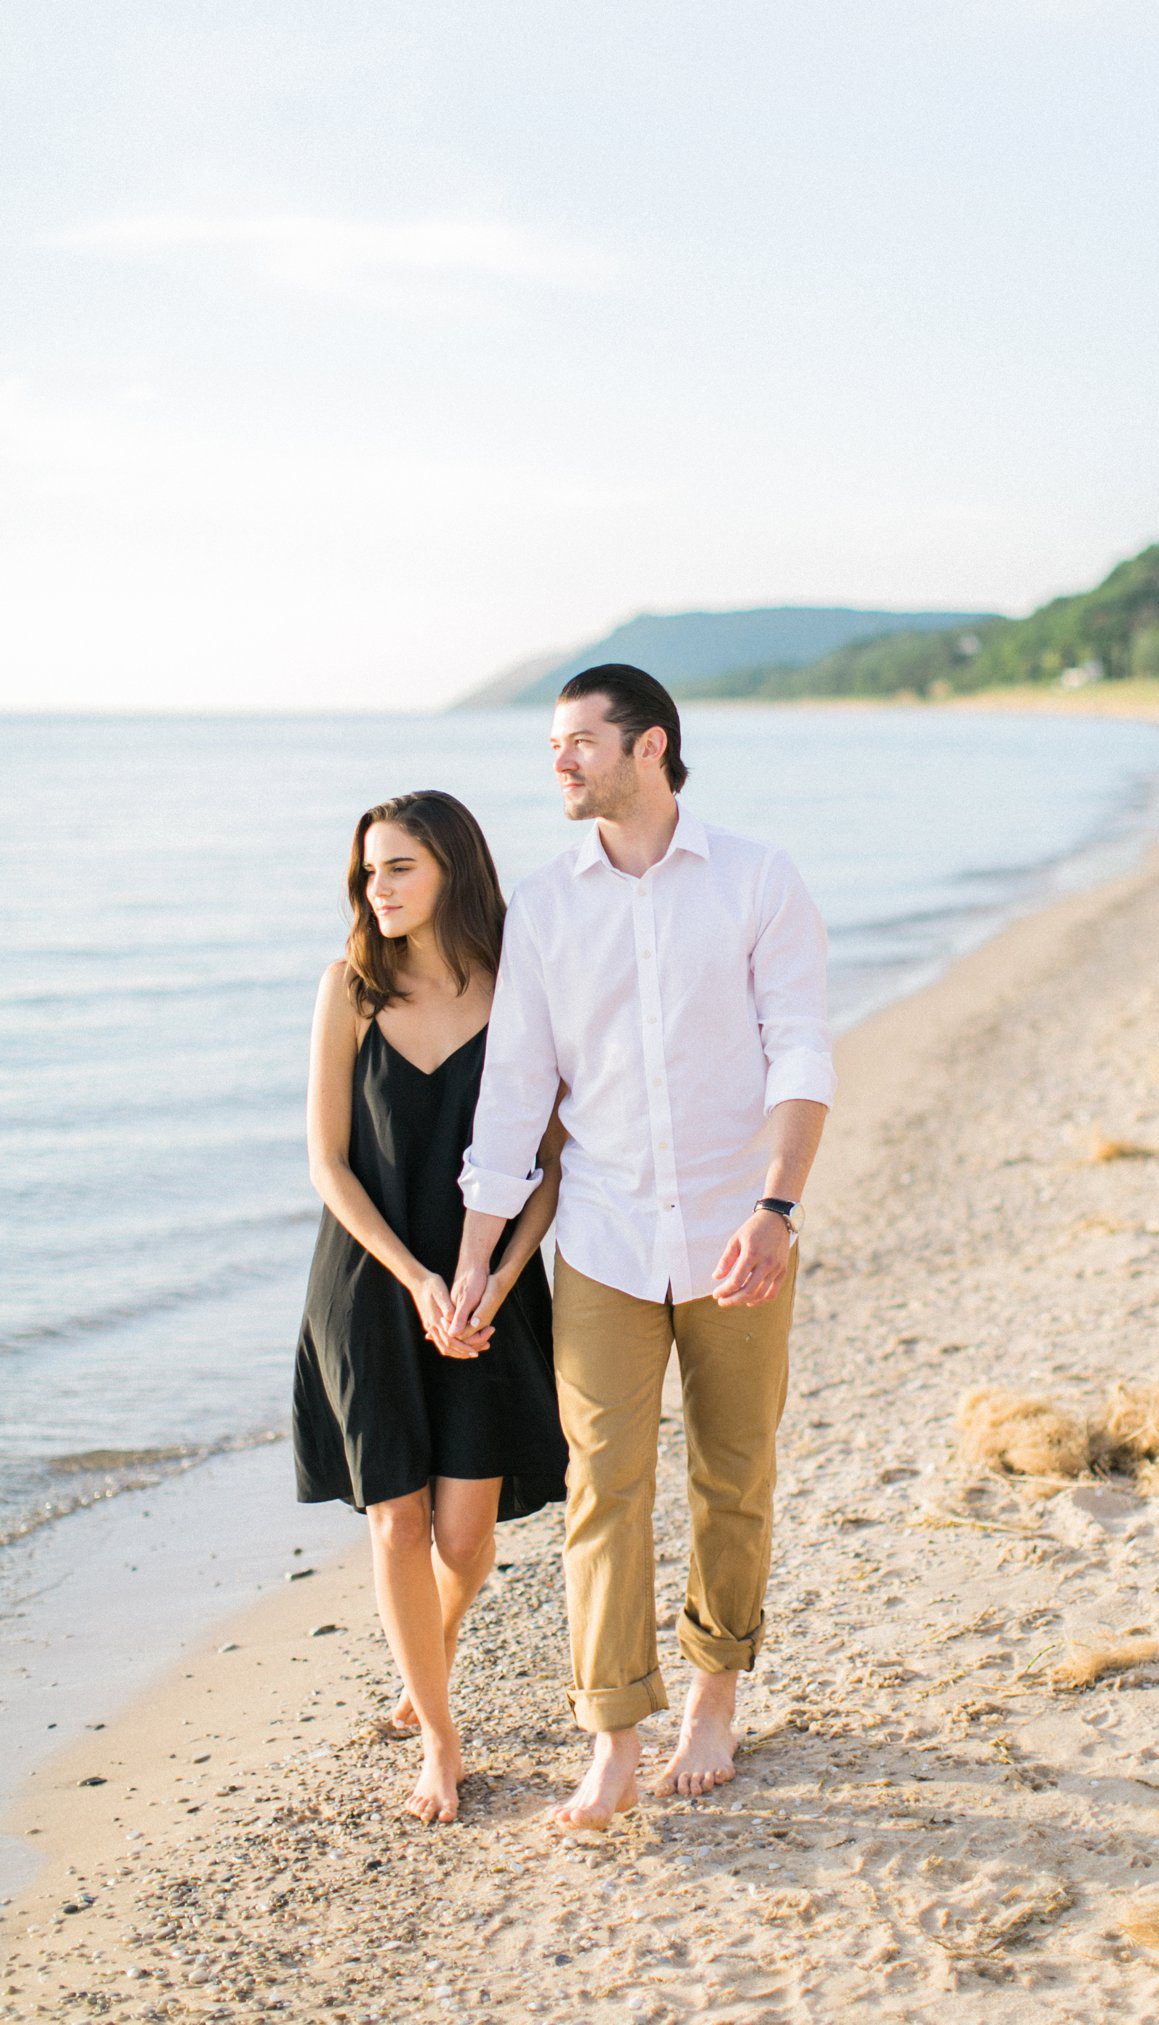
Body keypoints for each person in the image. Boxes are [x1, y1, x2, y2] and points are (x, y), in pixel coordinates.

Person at [444, 666, 834, 1829]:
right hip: (605, 1242)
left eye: (579, 743)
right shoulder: (547, 906)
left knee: (733, 1471)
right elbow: (515, 1094)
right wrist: (475, 1255)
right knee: (601, 1485)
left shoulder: (759, 880)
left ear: (649, 747)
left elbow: (802, 1054)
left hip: (737, 1232)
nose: (559, 763)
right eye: (552, 746)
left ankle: (715, 1695)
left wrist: (777, 1211)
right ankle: (612, 1732)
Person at [293, 790, 568, 1826]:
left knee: (464, 1539)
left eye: (400, 866)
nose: (380, 888)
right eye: (370, 872)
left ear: (452, 866)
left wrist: (494, 1280)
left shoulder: (517, 991)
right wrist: (416, 1279)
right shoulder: (350, 990)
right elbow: (327, 1161)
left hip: (489, 1287)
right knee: (396, 1519)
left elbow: (549, 1169)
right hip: (371, 1283)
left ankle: (430, 1655)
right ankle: (442, 1743)